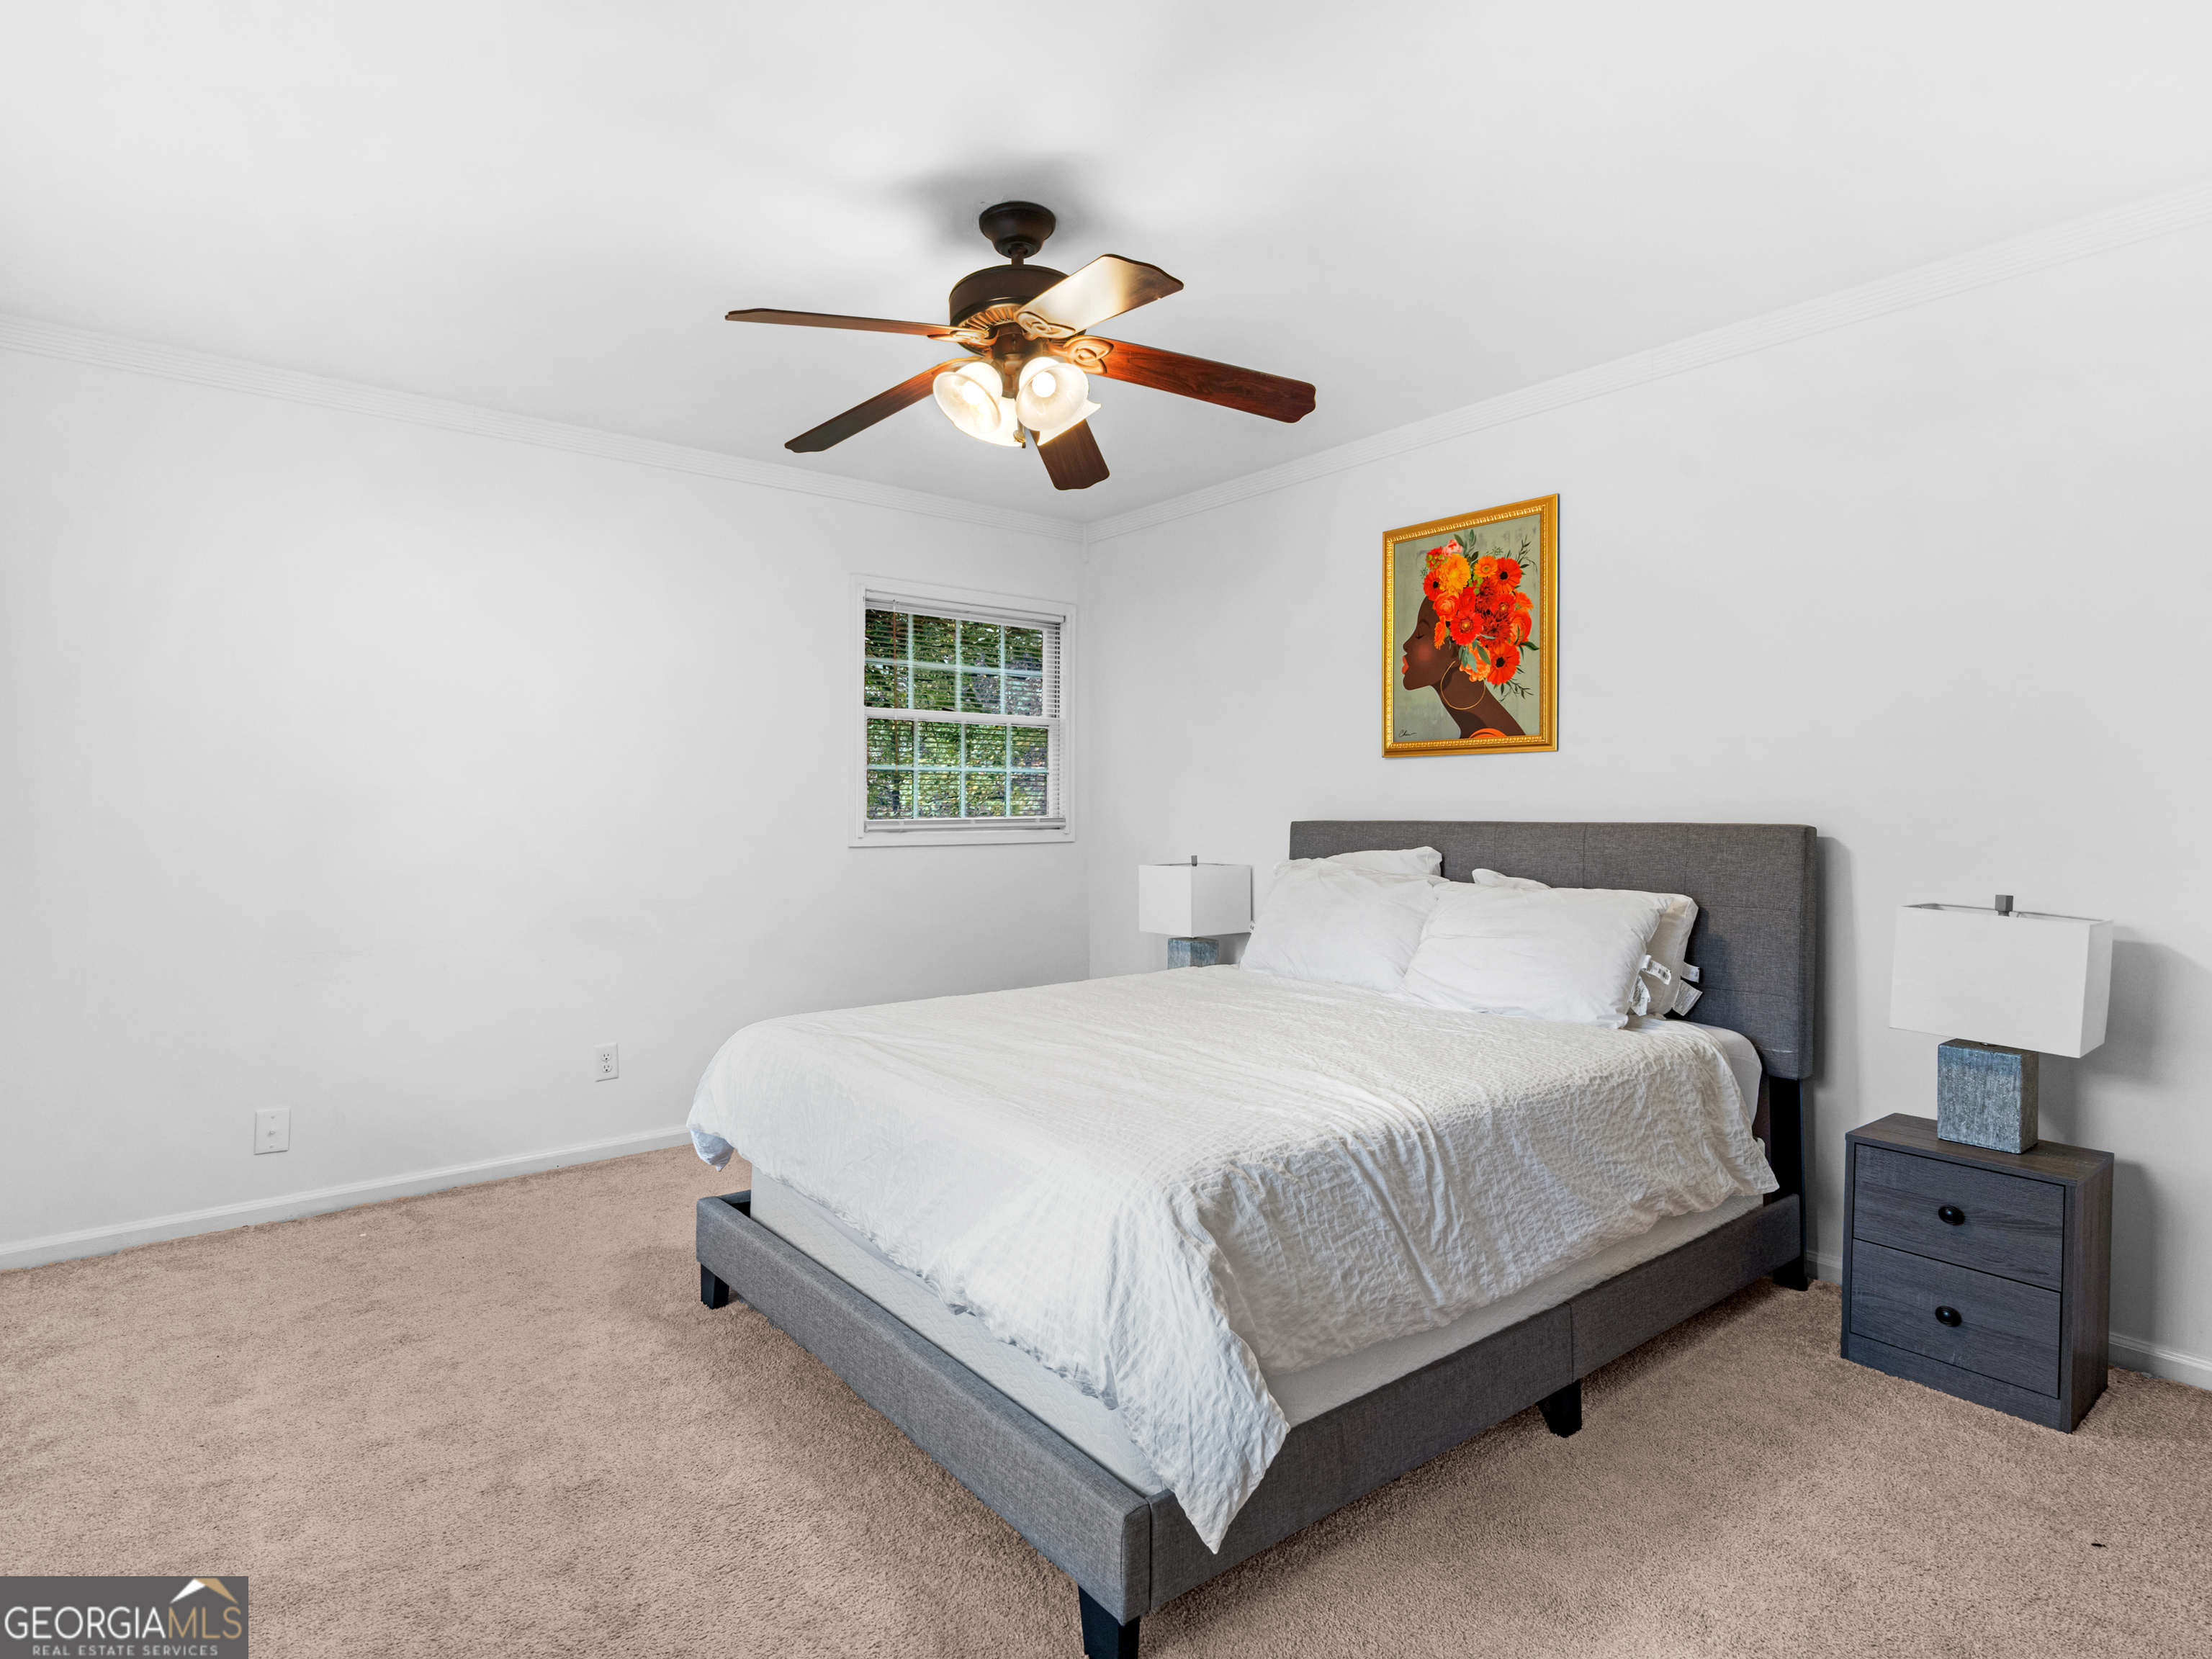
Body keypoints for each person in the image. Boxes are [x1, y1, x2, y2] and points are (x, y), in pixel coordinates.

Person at [1400, 595, 1525, 739]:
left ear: (1455, 652)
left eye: (1420, 634)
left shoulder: (1487, 737)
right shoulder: (1482, 731)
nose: (1406, 645)